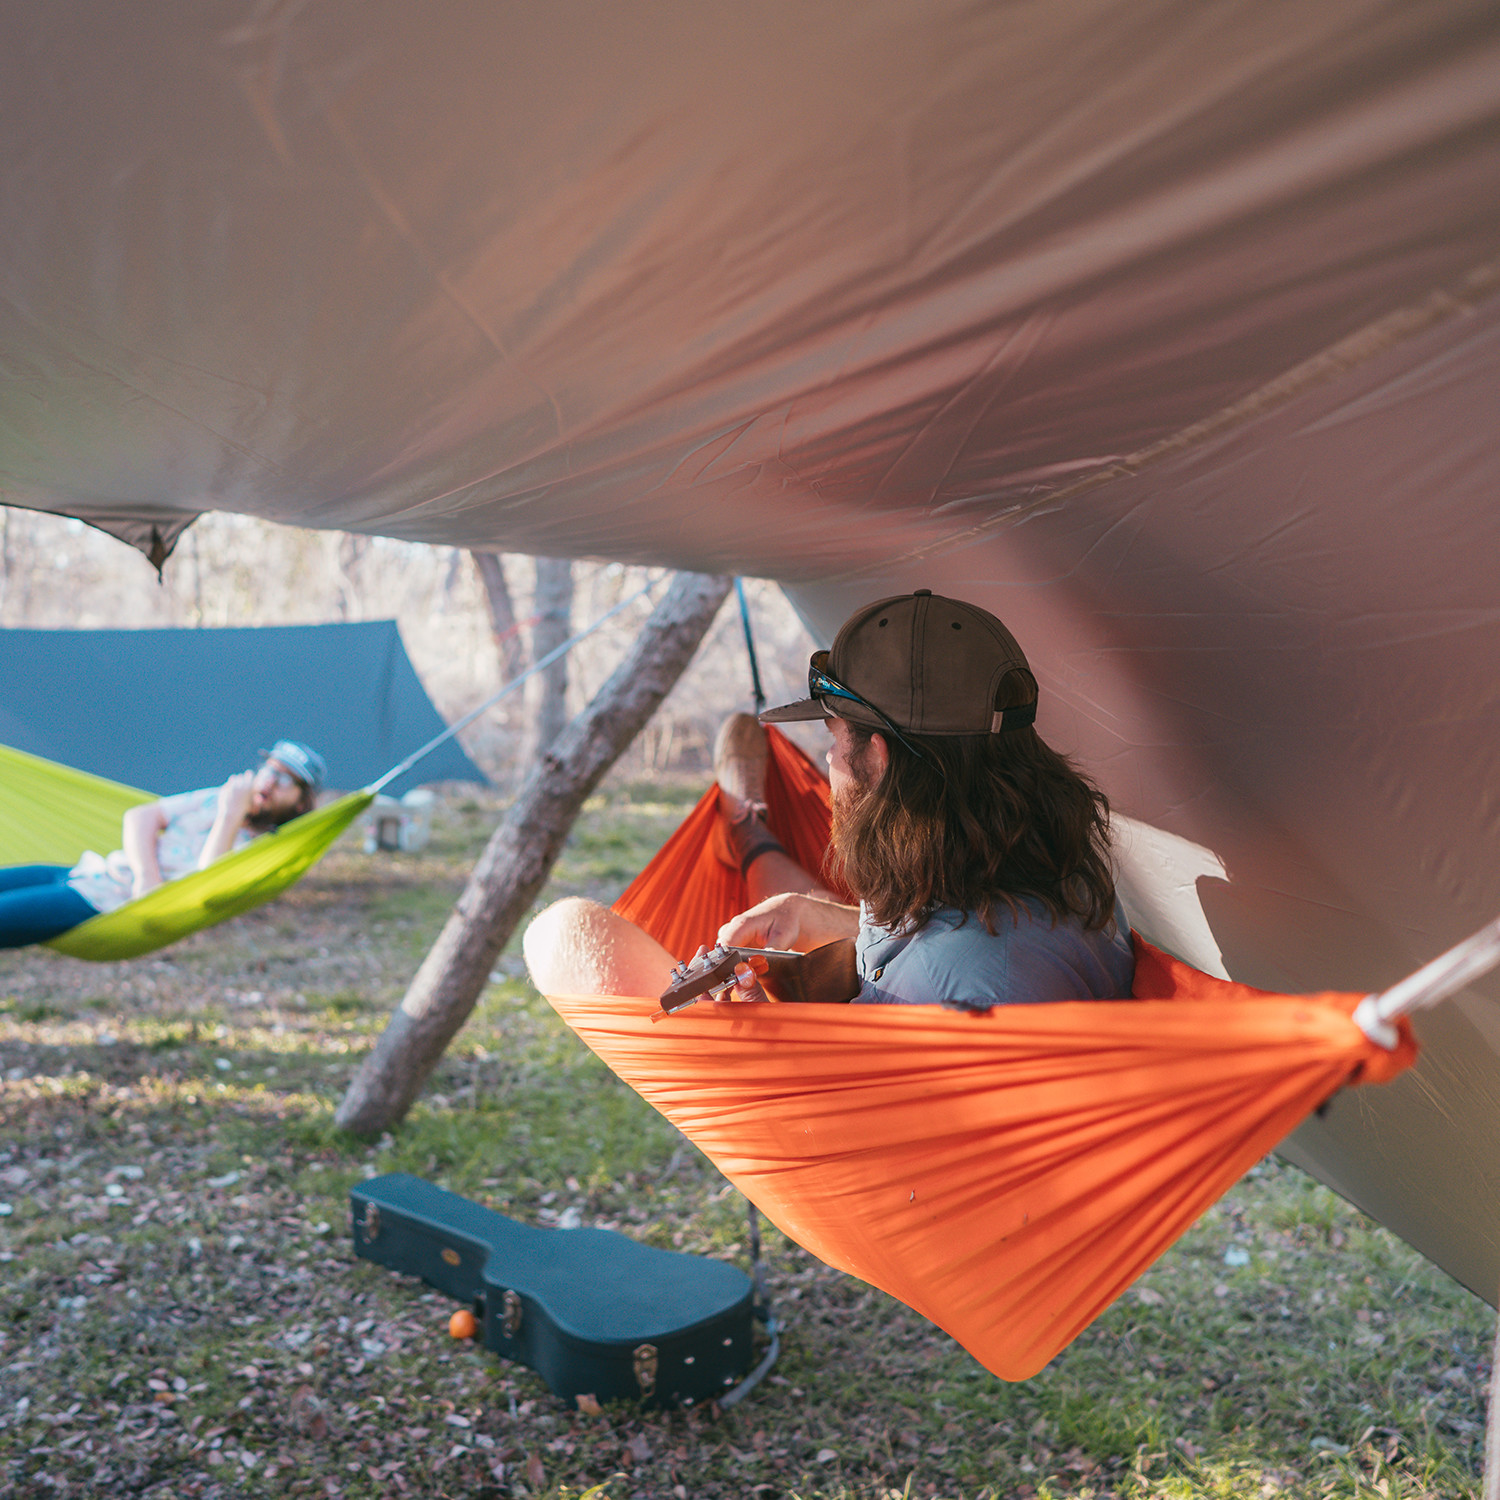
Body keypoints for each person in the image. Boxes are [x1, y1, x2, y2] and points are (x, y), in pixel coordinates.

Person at [524, 591, 1134, 1009]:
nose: (828, 763)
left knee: (562, 934)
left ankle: (748, 829)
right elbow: (942, 936)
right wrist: (820, 917)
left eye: (836, 742)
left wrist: (765, 1041)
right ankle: (750, 831)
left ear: (880, 759)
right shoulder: (1064, 880)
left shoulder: (954, 988)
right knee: (797, 904)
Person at [0, 740, 327, 949]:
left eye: (285, 779)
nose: (269, 782)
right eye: (269, 769)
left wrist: (230, 815)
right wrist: (147, 877)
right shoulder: (221, 797)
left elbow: (206, 885)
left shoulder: (262, 849)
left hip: (103, 902)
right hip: (88, 871)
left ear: (301, 802)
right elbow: (140, 816)